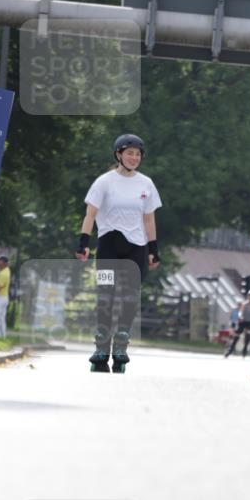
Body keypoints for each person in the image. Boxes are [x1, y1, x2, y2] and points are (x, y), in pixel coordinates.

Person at [75, 133, 161, 372]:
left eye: (138, 154)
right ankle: (101, 348)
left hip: (137, 247)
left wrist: (153, 249)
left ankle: (121, 346)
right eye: (129, 153)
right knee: (106, 295)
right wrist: (83, 242)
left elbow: (149, 219)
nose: (134, 158)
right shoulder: (104, 182)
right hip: (108, 246)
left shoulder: (146, 183)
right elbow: (90, 214)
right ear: (118, 155)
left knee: (130, 296)